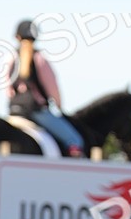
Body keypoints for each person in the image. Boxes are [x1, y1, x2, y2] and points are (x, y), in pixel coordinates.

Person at [6, 20, 86, 157]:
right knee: (75, 140)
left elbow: (7, 88)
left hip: (14, 109)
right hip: (36, 111)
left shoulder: (10, 58)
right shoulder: (40, 58)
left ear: (17, 37)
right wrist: (59, 106)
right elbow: (52, 88)